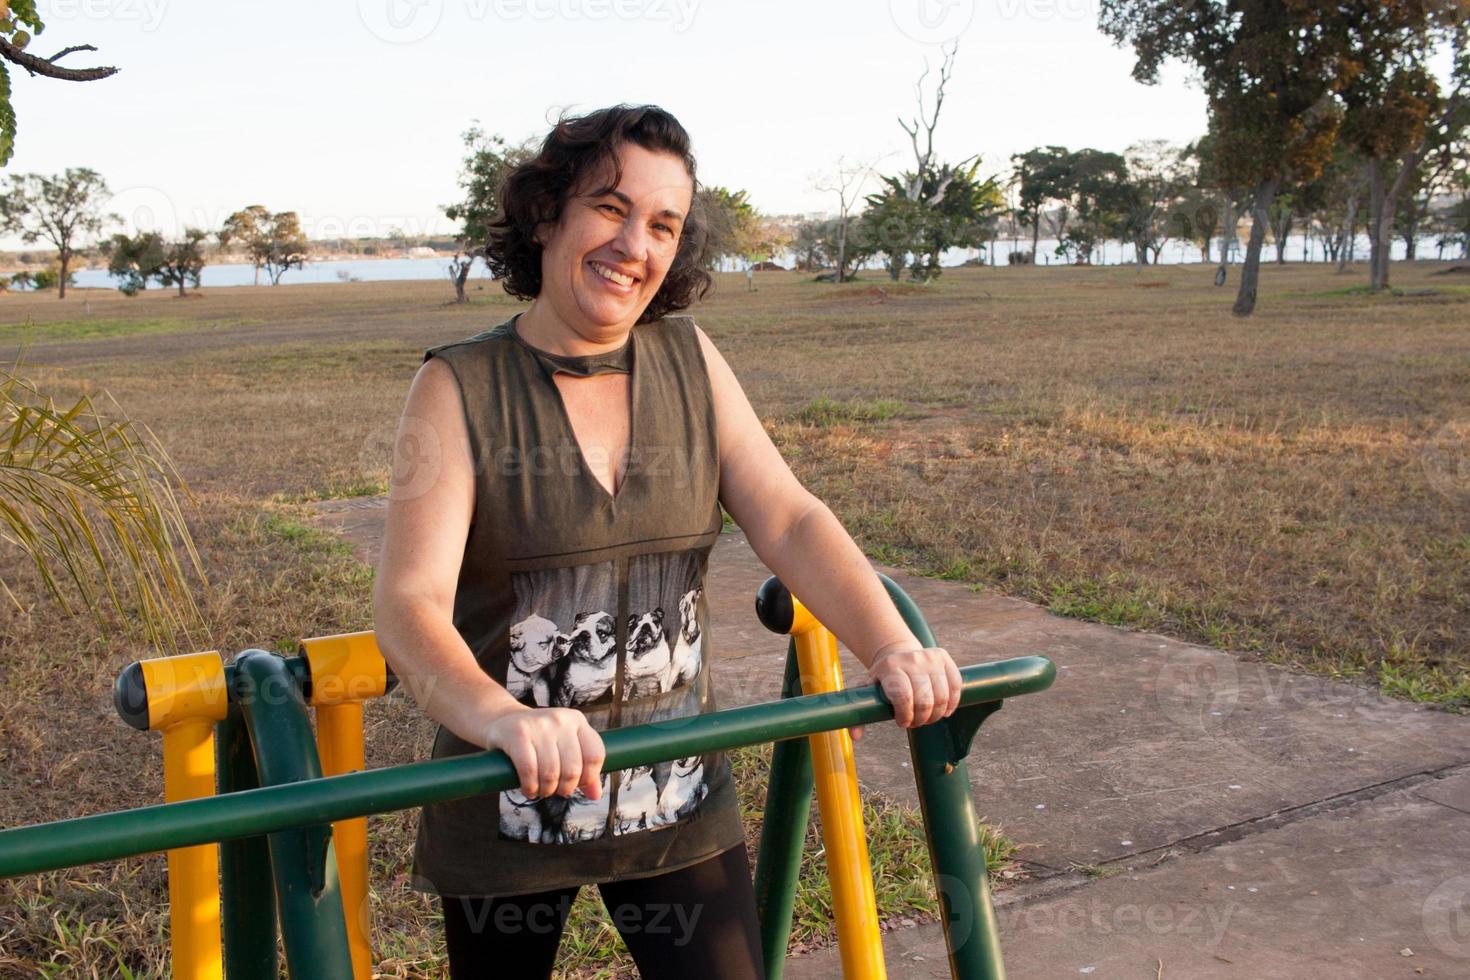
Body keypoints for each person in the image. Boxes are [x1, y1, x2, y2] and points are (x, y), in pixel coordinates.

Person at [371, 103, 963, 980]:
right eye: (610, 208)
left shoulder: (690, 362)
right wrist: (502, 717)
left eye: (662, 225)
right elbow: (408, 602)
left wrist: (892, 644)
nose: (633, 245)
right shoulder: (459, 387)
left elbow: (791, 517)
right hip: (508, 801)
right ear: (547, 214)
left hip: (675, 800)